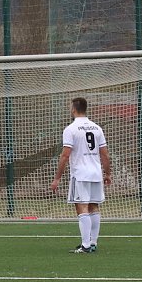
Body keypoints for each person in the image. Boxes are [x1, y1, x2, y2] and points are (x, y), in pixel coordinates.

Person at [50, 97, 112, 254]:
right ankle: (93, 242)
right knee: (94, 206)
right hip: (96, 173)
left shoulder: (71, 129)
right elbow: (104, 154)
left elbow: (65, 155)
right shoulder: (97, 128)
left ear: (73, 109)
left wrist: (57, 178)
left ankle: (85, 246)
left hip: (80, 174)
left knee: (82, 207)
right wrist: (107, 173)